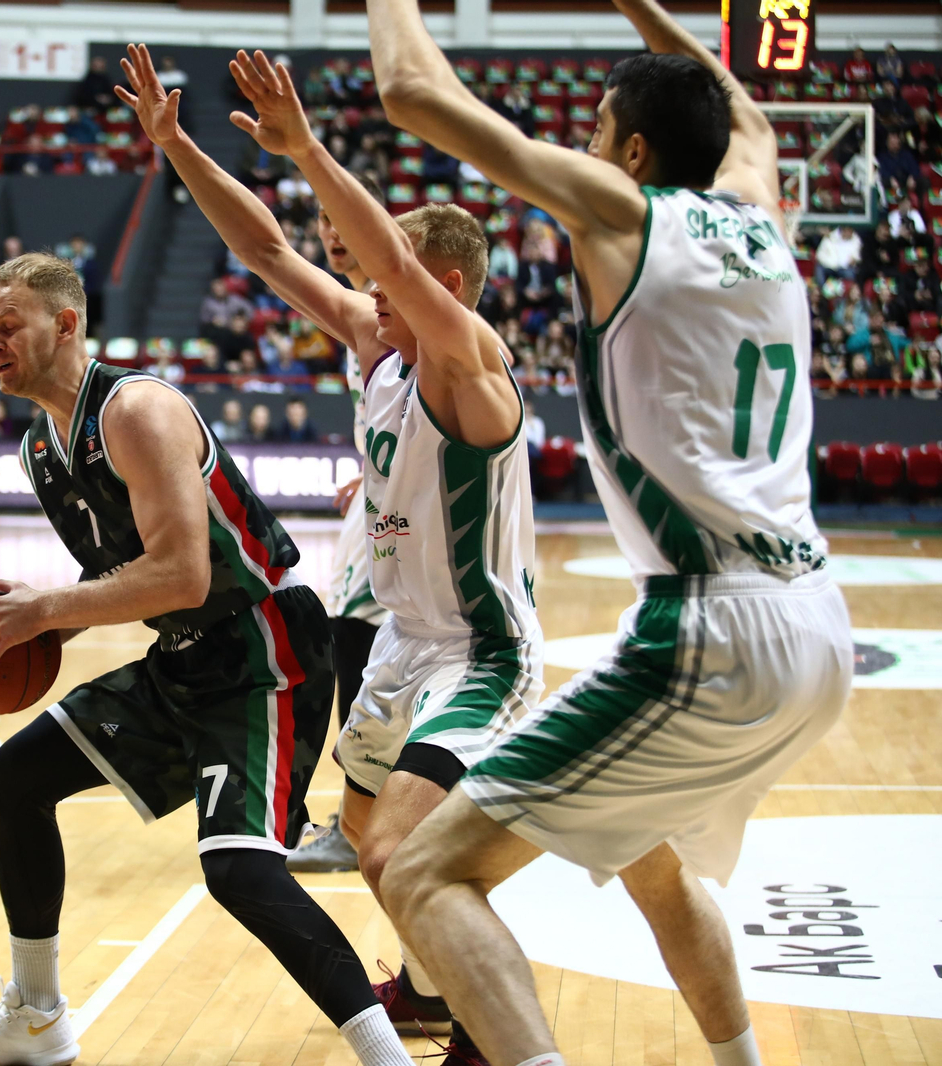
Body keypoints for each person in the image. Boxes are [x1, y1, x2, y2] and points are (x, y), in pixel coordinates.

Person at [359, 4, 854, 1066]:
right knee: (652, 857)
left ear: (632, 153)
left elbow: (412, 94)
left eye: (593, 130)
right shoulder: (758, 210)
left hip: (708, 630)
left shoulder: (625, 214)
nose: (582, 147)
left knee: (421, 872)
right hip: (817, 621)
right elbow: (744, 111)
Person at [0, 252, 413, 1066]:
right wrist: (41, 628)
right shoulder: (40, 448)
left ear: (65, 325)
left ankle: (386, 1056)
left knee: (241, 871)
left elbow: (184, 575)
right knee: (13, 780)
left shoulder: (137, 411)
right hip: (182, 656)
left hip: (263, 646)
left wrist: (45, 609)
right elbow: (122, 571)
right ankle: (36, 1015)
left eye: (9, 326)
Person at [178, 48, 541, 1058]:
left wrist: (307, 148)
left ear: (445, 286)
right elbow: (263, 250)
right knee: (378, 854)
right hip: (397, 644)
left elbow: (388, 268)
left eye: (388, 274)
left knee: (402, 854)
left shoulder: (471, 370)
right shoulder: (377, 346)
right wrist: (178, 147)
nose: (364, 285)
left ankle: (491, 1031)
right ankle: (427, 990)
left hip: (477, 650)